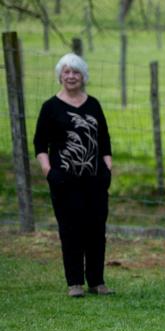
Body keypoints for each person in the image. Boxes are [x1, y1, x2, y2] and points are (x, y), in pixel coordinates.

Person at [33, 53, 113, 298]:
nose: (71, 76)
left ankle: (97, 281)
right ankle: (75, 282)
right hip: (64, 181)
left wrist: (107, 170)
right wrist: (49, 172)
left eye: (76, 72)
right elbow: (39, 144)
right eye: (66, 72)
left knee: (96, 231)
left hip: (94, 180)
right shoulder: (50, 107)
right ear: (60, 75)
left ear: (83, 76)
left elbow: (104, 142)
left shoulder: (93, 104)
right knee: (70, 231)